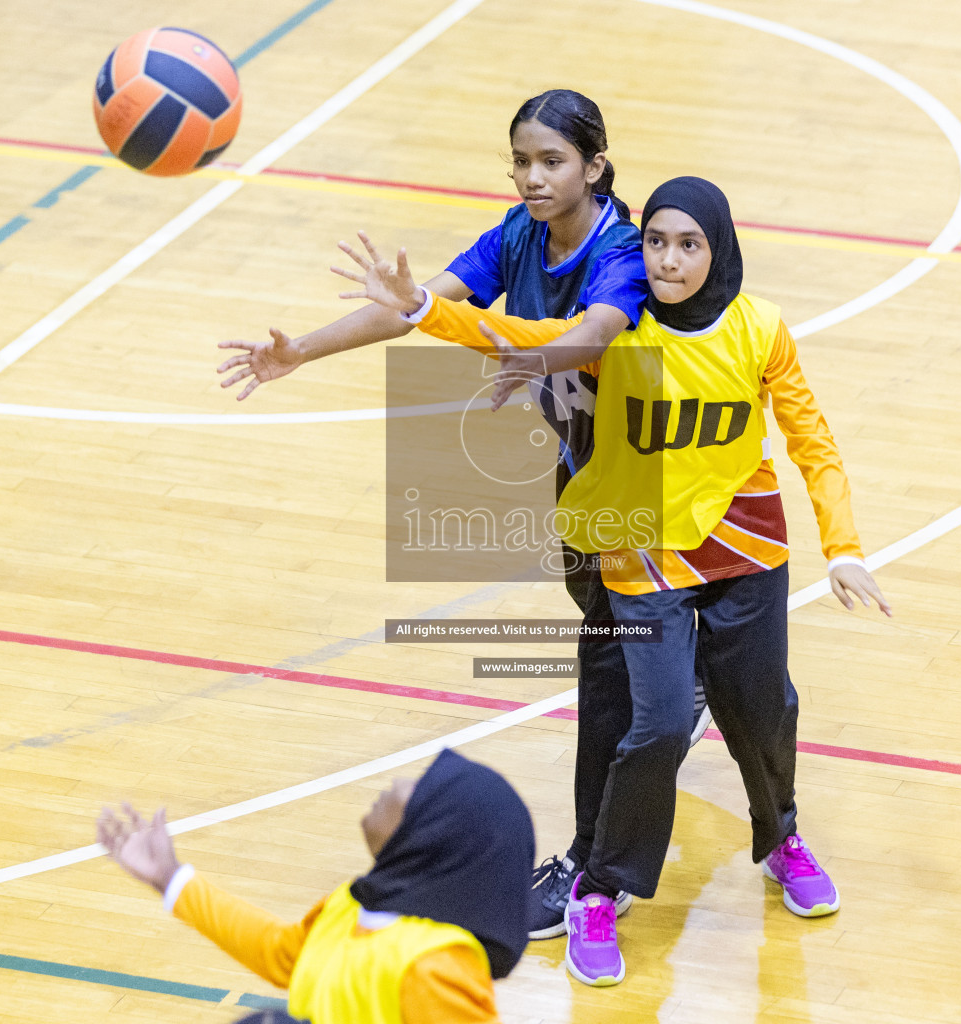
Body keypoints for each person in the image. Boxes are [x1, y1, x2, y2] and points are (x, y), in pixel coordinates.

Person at [333, 176, 892, 987]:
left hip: (743, 539)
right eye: (656, 241)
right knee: (658, 722)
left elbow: (813, 440)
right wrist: (422, 306)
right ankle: (602, 887)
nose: (669, 259)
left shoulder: (759, 328)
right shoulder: (613, 329)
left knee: (766, 704)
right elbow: (510, 329)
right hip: (637, 545)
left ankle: (782, 838)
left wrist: (844, 547)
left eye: (689, 244)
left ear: (719, 247)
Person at [220, 89, 710, 939]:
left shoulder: (622, 249)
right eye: (520, 161)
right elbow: (415, 305)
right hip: (582, 475)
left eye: (551, 161)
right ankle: (694, 688)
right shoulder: (518, 234)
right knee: (609, 634)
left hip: (653, 489)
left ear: (595, 167)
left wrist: (505, 345)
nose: (530, 176)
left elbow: (592, 335)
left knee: (617, 678)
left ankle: (600, 871)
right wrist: (300, 348)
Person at [96, 748, 533, 1022]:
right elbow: (282, 954)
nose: (398, 783)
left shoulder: (436, 965)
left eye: (419, 786)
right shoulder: (350, 906)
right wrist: (172, 880)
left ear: (434, 834)